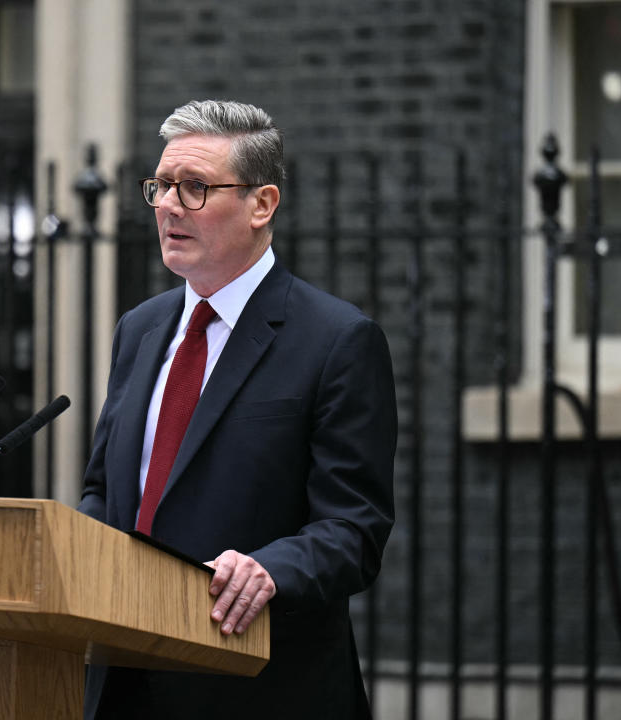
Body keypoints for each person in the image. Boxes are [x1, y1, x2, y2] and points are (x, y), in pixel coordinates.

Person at [77, 99, 397, 719]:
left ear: (262, 204)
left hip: (258, 687)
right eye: (162, 186)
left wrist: (269, 569)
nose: (169, 205)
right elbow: (104, 490)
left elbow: (355, 528)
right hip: (123, 687)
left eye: (195, 187)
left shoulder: (337, 340)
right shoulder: (139, 330)